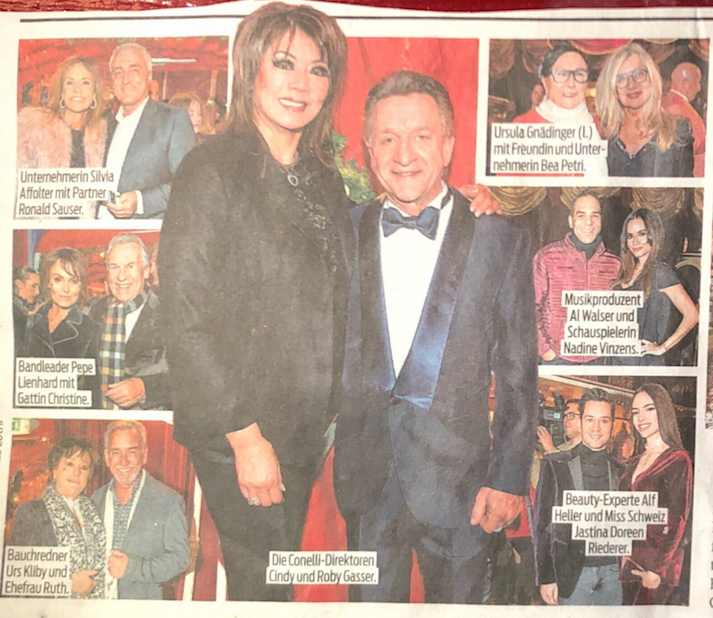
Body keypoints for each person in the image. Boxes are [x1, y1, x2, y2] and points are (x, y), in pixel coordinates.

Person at [159, 3, 354, 602]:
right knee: (263, 592)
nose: (302, 84)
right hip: (240, 432)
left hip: (303, 430)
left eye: (318, 70)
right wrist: (245, 439)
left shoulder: (322, 177)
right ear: (250, 70)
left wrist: (460, 203)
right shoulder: (210, 169)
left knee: (275, 585)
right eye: (285, 63)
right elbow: (185, 320)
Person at [333, 70, 538, 603]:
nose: (404, 154)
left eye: (421, 136)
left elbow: (518, 373)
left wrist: (509, 478)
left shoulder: (499, 239)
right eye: (387, 138)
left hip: (464, 488)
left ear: (447, 146)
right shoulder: (342, 232)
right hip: (367, 482)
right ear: (369, 151)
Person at [534, 389, 625, 606]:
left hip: (614, 573)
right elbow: (542, 524)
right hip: (573, 573)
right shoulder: (556, 464)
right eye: (590, 419)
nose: (596, 428)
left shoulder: (623, 470)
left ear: (612, 425)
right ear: (581, 423)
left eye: (604, 420)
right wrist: (546, 577)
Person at [92, 421, 190, 600]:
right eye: (116, 452)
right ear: (107, 457)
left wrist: (134, 569)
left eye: (131, 451)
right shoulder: (94, 500)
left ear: (144, 454)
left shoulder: (168, 500)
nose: (123, 461)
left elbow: (180, 559)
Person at [101, 43, 195, 219]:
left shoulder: (173, 120)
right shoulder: (102, 125)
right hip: (96, 229)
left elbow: (188, 184)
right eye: (118, 72)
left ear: (149, 76)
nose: (126, 80)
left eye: (134, 70)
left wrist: (140, 200)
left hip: (144, 231)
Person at [618, 383, 692, 605]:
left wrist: (658, 571)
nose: (640, 417)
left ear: (663, 410)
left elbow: (678, 520)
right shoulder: (634, 461)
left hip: (656, 567)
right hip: (629, 561)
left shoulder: (677, 459)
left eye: (649, 409)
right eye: (635, 412)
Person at [10, 437, 106, 599]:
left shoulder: (94, 511)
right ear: (55, 470)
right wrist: (68, 583)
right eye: (70, 464)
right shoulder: (31, 513)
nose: (76, 473)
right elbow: (17, 575)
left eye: (84, 468)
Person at [533, 191, 620, 364]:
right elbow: (529, 307)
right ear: (571, 221)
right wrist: (546, 351)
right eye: (581, 215)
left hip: (600, 359)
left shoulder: (615, 264)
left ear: (601, 220)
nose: (589, 222)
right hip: (558, 357)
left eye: (594, 215)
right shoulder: (547, 257)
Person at [88, 234, 170, 409]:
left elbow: (192, 376)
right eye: (114, 267)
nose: (121, 276)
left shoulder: (168, 314)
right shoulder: (95, 311)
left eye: (130, 266)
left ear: (146, 270)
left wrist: (145, 387)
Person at [610, 208, 698, 365]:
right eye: (630, 236)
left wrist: (663, 347)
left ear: (653, 235)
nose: (635, 241)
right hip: (617, 359)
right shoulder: (624, 272)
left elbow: (692, 314)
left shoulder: (661, 273)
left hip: (645, 363)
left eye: (642, 234)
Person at [597, 43, 694, 177]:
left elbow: (686, 188)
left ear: (651, 79)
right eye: (621, 78)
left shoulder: (678, 130)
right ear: (613, 88)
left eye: (638, 74)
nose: (632, 85)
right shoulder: (601, 135)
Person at [25, 248, 100, 405]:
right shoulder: (30, 322)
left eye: (73, 281)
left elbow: (92, 392)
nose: (66, 289)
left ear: (81, 286)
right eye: (58, 279)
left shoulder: (90, 329)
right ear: (48, 283)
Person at [17, 56, 107, 169]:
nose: (77, 90)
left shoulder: (104, 134)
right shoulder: (35, 128)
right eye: (69, 83)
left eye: (85, 82)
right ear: (62, 93)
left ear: (94, 93)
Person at [513, 45, 595, 125]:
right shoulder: (523, 125)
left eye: (579, 74)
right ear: (545, 81)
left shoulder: (599, 127)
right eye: (562, 74)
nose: (571, 84)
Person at [662, 62, 706, 177]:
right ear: (686, 83)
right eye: (697, 82)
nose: (699, 88)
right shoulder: (679, 109)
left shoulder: (662, 102)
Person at [13, 265, 40, 355]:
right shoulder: (13, 308)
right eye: (33, 286)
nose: (37, 292)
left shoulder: (21, 306)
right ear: (19, 284)